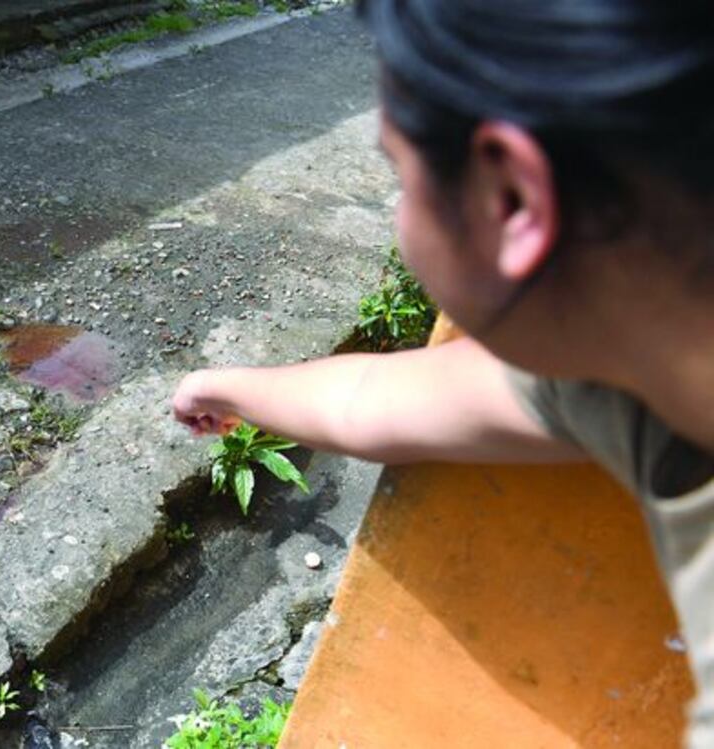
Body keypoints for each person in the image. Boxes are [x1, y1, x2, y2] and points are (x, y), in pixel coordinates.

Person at [171, 1, 714, 744]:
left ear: (511, 198)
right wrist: (227, 387)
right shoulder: (630, 372)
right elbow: (375, 402)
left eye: (401, 173)